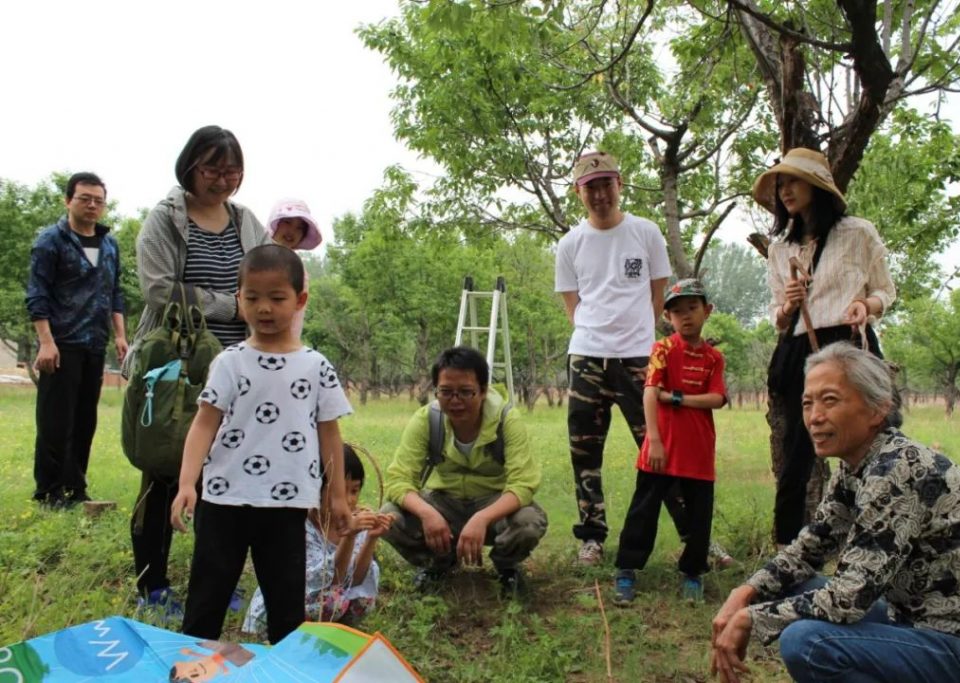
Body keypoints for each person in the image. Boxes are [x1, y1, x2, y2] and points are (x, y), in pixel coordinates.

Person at [710, 343, 960, 683]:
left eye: (830, 400)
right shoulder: (858, 465)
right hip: (921, 622)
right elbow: (810, 547)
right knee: (791, 586)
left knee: (808, 643)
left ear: (877, 409)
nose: (814, 417)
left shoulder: (897, 470)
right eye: (807, 403)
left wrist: (751, 618)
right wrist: (746, 592)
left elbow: (848, 598)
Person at [170, 244, 353, 644]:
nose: (264, 308)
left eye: (277, 298)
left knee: (286, 606)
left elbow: (330, 434)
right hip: (224, 499)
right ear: (239, 299)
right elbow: (204, 424)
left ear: (300, 300)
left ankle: (285, 666)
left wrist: (337, 496)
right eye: (252, 298)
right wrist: (187, 483)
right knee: (206, 599)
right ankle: (193, 665)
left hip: (287, 505)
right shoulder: (229, 362)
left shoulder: (316, 366)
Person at [127, 125, 271, 614]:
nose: (224, 180)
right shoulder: (165, 220)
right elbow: (158, 290)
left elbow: (267, 275)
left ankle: (215, 580)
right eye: (213, 169)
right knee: (164, 471)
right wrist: (231, 305)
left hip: (236, 368)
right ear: (190, 167)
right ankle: (152, 585)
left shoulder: (246, 221)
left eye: (233, 171)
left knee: (223, 478)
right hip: (176, 371)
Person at [752, 147, 896, 546]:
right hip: (802, 350)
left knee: (876, 441)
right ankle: (787, 550)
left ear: (816, 186)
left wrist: (866, 305)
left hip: (850, 342)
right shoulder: (780, 249)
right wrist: (789, 304)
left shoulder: (858, 232)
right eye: (780, 184)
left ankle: (882, 538)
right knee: (797, 452)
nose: (785, 191)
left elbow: (885, 290)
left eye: (793, 182)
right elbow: (779, 317)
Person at [555, 150, 684, 567]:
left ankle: (692, 535)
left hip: (638, 359)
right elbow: (573, 306)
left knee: (658, 446)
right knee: (584, 451)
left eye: (606, 184)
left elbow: (657, 296)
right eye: (590, 187)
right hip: (587, 358)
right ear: (578, 193)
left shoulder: (645, 232)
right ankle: (592, 538)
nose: (600, 194)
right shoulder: (570, 244)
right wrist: (598, 335)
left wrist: (635, 338)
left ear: (620, 185)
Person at [381, 346, 547, 595]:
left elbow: (523, 484)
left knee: (528, 522)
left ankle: (506, 567)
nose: (455, 400)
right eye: (446, 392)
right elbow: (398, 479)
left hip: (494, 503)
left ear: (483, 390)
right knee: (388, 517)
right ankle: (438, 564)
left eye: (466, 392)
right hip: (444, 502)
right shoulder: (427, 419)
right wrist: (427, 513)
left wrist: (482, 518)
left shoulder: (507, 420)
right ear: (436, 390)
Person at [613, 279, 726, 606]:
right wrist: (655, 441)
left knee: (699, 516)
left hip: (698, 450)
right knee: (643, 510)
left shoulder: (714, 358)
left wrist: (676, 398)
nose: (685, 316)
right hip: (661, 447)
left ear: (707, 310)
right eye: (677, 312)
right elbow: (650, 393)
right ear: (668, 318)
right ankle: (626, 570)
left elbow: (717, 398)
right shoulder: (662, 349)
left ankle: (693, 573)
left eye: (692, 308)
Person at [25, 172, 128, 508]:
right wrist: (46, 341)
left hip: (95, 343)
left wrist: (120, 335)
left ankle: (75, 488)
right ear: (68, 200)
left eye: (98, 200)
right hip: (61, 343)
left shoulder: (109, 244)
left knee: (85, 420)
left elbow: (115, 293)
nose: (92, 205)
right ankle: (48, 492)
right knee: (55, 420)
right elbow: (37, 294)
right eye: (85, 198)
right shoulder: (50, 241)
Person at [243, 443, 389, 636]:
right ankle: (292, 636)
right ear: (315, 489)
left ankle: (332, 635)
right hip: (281, 611)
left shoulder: (355, 522)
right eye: (339, 492)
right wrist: (349, 536)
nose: (349, 500)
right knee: (333, 600)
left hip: (325, 603)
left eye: (354, 491)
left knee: (362, 600)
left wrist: (370, 538)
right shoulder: (301, 527)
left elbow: (355, 579)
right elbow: (333, 578)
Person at [265, 198, 323, 338]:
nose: (292, 231)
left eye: (299, 228)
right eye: (287, 222)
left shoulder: (298, 270)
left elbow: (296, 316)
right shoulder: (249, 252)